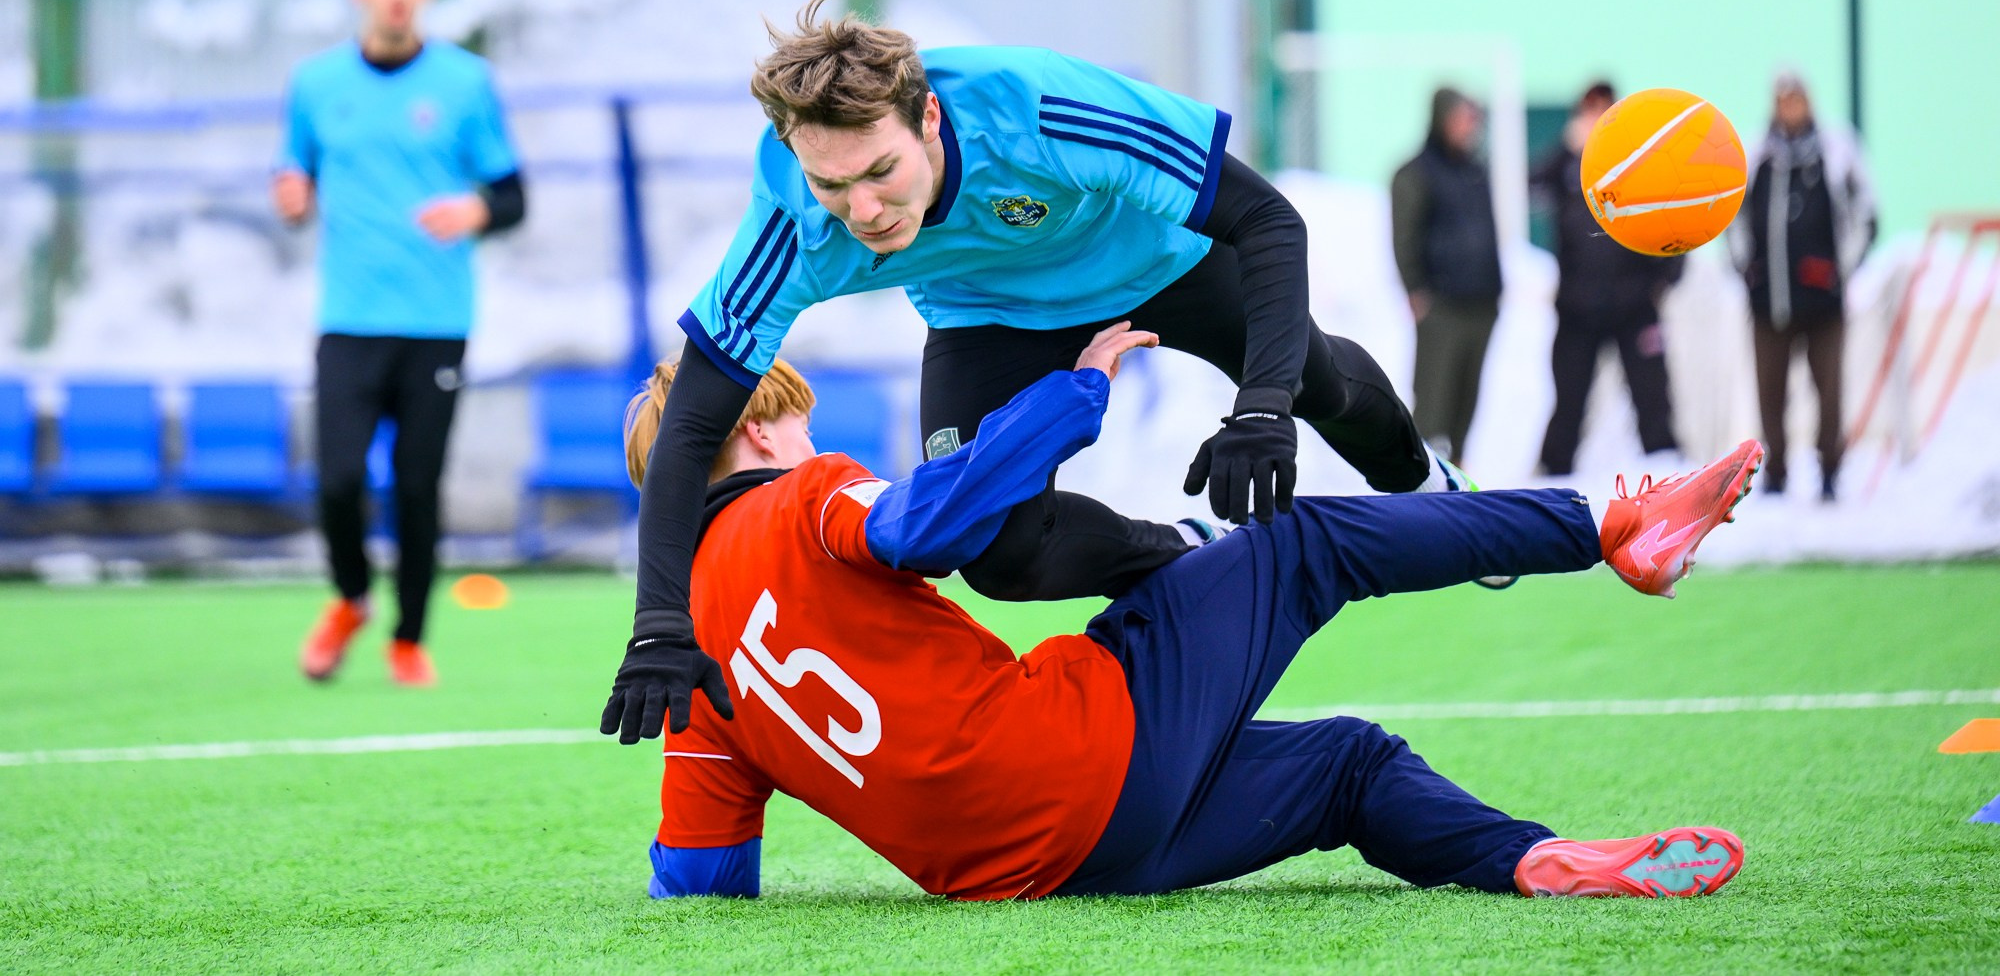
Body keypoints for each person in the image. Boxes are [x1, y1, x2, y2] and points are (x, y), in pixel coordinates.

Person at [618, 323, 1760, 903]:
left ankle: (1534, 860)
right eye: (797, 419)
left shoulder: (685, 663)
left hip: (1048, 872)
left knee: (1350, 767)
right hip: (1080, 753)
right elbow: (921, 523)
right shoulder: (804, 495)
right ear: (763, 428)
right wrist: (1076, 392)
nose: (807, 436)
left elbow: (700, 877)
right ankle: (1606, 528)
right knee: (1304, 542)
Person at [603, 0, 1471, 746]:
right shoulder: (795, 216)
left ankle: (1424, 477)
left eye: (880, 172)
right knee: (992, 547)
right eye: (834, 184)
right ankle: (1189, 549)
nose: (862, 211)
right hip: (988, 320)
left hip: (1162, 268)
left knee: (1314, 379)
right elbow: (689, 425)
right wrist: (658, 625)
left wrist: (1264, 408)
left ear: (930, 120)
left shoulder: (1041, 107)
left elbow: (1270, 221)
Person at [276, 0, 527, 686]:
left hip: (435, 324)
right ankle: (351, 598)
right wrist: (292, 197)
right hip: (348, 318)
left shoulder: (464, 82)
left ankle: (408, 638)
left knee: (417, 486)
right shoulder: (315, 85)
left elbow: (513, 195)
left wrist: (474, 211)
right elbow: (298, 177)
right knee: (338, 480)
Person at [1730, 71, 1877, 501]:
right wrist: (1746, 268)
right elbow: (1732, 215)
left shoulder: (1837, 150)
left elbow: (1865, 213)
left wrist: (1840, 271)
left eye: (1797, 99)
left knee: (1829, 392)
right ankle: (1775, 473)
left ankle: (1830, 469)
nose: (1790, 107)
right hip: (1767, 301)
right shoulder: (1755, 153)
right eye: (1783, 99)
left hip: (1823, 303)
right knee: (1770, 393)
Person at [1531, 82, 1684, 476]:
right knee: (1569, 399)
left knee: (1653, 398)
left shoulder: (1639, 160)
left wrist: (1667, 273)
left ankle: (1667, 471)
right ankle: (1554, 476)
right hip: (1578, 305)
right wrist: (1570, 150)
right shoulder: (1568, 164)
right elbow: (1530, 186)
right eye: (1590, 108)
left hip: (1634, 302)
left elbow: (1672, 210)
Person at [1390, 86, 1503, 468]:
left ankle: (1458, 471)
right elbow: (1404, 235)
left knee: (1467, 399)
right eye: (1462, 118)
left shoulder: (1475, 171)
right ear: (1442, 119)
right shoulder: (1415, 173)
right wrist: (1415, 288)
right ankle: (1417, 475)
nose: (1469, 127)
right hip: (1442, 307)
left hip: (1482, 304)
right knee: (1433, 398)